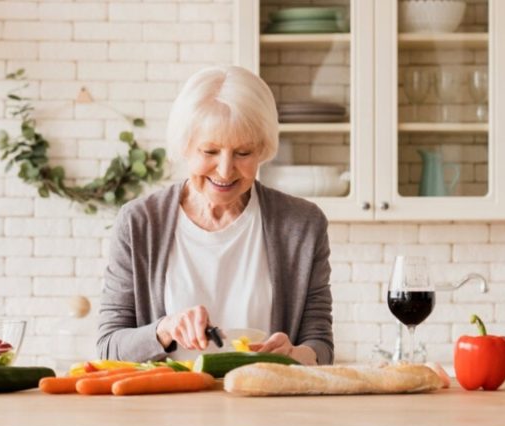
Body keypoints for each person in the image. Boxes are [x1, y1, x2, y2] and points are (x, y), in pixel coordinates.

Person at [97, 65, 334, 366]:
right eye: (209, 152)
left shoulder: (302, 224)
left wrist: (294, 355)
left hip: (268, 408)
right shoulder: (139, 223)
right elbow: (108, 346)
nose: (225, 170)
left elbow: (321, 345)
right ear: (185, 147)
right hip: (165, 410)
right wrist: (165, 329)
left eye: (243, 153)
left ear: (262, 150)